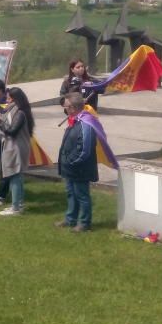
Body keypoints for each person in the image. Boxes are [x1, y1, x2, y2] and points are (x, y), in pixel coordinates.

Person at [55, 93, 97, 232]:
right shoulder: (74, 120)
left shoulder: (86, 123)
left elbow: (85, 148)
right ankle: (70, 219)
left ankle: (84, 223)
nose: (65, 109)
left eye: (66, 107)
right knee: (71, 193)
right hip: (70, 167)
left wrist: (71, 161)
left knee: (82, 195)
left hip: (79, 168)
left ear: (72, 108)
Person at [0, 87, 34, 216]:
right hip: (14, 145)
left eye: (8, 98)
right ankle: (18, 205)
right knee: (16, 176)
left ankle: (16, 207)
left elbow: (12, 131)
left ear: (14, 99)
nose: (6, 100)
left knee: (15, 176)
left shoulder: (20, 112)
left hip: (16, 147)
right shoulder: (16, 110)